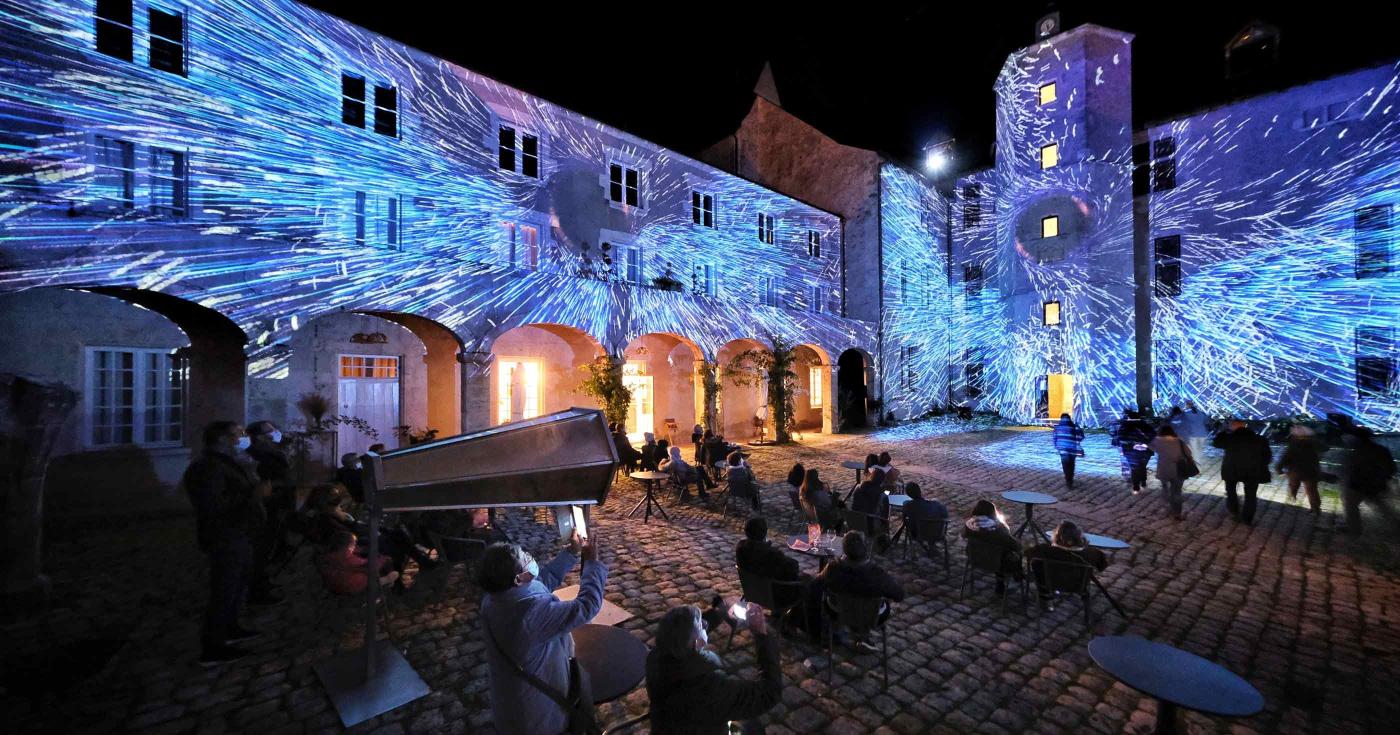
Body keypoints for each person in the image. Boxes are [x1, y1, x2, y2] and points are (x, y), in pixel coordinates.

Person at [479, 533, 606, 735]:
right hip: (536, 712)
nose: (530, 559)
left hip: (509, 700)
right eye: (526, 560)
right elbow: (586, 606)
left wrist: (571, 552)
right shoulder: (529, 614)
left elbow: (542, 581)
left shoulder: (495, 596)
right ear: (518, 578)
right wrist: (591, 564)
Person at [182, 421, 265, 666]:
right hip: (225, 536)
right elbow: (215, 507)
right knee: (224, 589)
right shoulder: (207, 468)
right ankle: (213, 647)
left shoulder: (226, 463)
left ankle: (230, 628)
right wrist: (254, 495)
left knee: (237, 585)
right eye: (237, 434)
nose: (243, 437)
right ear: (221, 439)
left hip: (240, 533)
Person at [646, 602, 782, 735]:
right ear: (695, 642)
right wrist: (761, 635)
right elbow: (769, 692)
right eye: (701, 626)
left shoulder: (655, 658)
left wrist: (721, 612)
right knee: (754, 727)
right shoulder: (711, 685)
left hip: (665, 727)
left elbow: (683, 633)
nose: (705, 626)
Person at [814, 531, 905, 648]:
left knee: (829, 600)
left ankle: (836, 633)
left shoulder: (833, 568)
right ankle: (862, 636)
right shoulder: (877, 574)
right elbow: (899, 595)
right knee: (877, 603)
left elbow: (816, 584)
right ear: (866, 549)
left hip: (838, 612)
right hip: (871, 617)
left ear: (844, 550)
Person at [1024, 521, 1107, 609]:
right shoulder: (1093, 553)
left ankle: (1045, 596)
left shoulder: (1044, 550)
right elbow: (1102, 567)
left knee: (1036, 563)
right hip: (1078, 586)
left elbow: (1027, 553)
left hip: (1050, 582)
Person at [1212, 419, 1273, 525]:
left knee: (1231, 492)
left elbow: (1216, 443)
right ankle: (1248, 518)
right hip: (1252, 471)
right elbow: (1267, 457)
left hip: (1232, 469)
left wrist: (1222, 431)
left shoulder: (1230, 438)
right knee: (1251, 495)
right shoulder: (1260, 439)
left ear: (1233, 426)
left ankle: (1234, 512)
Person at [1340, 427, 1397, 535]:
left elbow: (1350, 470)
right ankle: (1396, 525)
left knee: (1351, 507)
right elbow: (1391, 468)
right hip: (1376, 485)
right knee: (1383, 507)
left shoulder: (1356, 452)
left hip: (1358, 486)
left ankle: (1354, 530)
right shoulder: (1381, 450)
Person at [962, 500, 1022, 594]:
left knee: (997, 551)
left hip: (974, 556)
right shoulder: (998, 529)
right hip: (995, 561)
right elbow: (1016, 546)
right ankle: (1015, 579)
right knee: (1011, 555)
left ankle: (1005, 582)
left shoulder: (969, 525)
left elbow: (963, 535)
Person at [316, 529, 399, 595]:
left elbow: (357, 550)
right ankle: (388, 581)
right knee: (394, 573)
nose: (355, 546)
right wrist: (382, 559)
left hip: (335, 585)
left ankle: (388, 581)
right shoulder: (348, 558)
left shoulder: (331, 555)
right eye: (353, 544)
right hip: (355, 585)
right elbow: (369, 565)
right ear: (347, 546)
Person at [1276, 425, 1324, 514]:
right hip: (1311, 471)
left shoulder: (1293, 445)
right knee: (1312, 490)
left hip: (1295, 471)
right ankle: (1315, 508)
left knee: (1293, 485)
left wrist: (1279, 469)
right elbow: (1325, 448)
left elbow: (1285, 458)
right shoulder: (1314, 444)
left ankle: (1293, 496)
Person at [735, 517, 800, 583]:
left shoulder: (741, 549)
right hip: (775, 590)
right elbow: (792, 566)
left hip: (752, 588)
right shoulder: (772, 555)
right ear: (764, 532)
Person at [1148, 425, 1190, 520]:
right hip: (1179, 469)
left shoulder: (1157, 441)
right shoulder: (1179, 441)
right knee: (1177, 491)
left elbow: (1150, 447)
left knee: (1165, 487)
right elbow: (1188, 453)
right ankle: (1177, 512)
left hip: (1164, 469)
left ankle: (1166, 503)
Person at [1114, 410, 1156, 495]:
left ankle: (1136, 487)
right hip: (1145, 451)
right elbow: (1153, 436)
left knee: (1134, 468)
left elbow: (1121, 438)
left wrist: (1131, 444)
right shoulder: (1146, 426)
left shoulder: (1124, 426)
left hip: (1130, 451)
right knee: (1142, 466)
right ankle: (1143, 482)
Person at [1052, 413, 1086, 489]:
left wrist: (1058, 447)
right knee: (1072, 465)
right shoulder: (1074, 427)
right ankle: (1070, 480)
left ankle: (1068, 481)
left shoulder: (1057, 428)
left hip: (1063, 450)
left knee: (1065, 466)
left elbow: (1054, 439)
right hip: (1073, 450)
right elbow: (1081, 437)